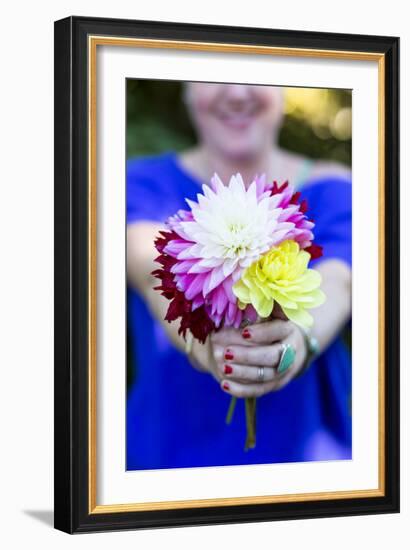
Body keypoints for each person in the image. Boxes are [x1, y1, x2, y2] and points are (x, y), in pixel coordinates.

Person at [126, 83, 352, 470]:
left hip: (308, 462)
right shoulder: (138, 182)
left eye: (254, 73)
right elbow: (151, 270)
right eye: (213, 75)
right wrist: (201, 344)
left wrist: (296, 339)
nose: (236, 91)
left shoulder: (336, 186)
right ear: (184, 89)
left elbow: (338, 280)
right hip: (166, 459)